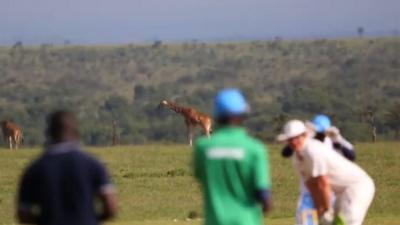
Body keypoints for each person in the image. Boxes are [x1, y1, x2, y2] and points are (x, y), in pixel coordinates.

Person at [16, 110, 117, 225]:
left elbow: (23, 213)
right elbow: (111, 208)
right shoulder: (93, 164)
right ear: (76, 132)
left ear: (49, 133)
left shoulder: (34, 169)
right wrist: (89, 219)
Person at [193, 88, 272, 225]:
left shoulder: (202, 148)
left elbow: (200, 177)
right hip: (246, 220)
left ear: (217, 115)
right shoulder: (255, 149)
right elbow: (263, 193)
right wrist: (266, 204)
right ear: (243, 114)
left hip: (215, 220)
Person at [277, 120, 375, 225]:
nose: (293, 142)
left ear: (304, 135)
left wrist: (326, 209)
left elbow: (323, 183)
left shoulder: (313, 150)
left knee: (347, 221)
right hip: (340, 192)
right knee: (334, 222)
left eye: (297, 138)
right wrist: (321, 210)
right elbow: (312, 185)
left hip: (358, 186)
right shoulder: (297, 159)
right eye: (290, 139)